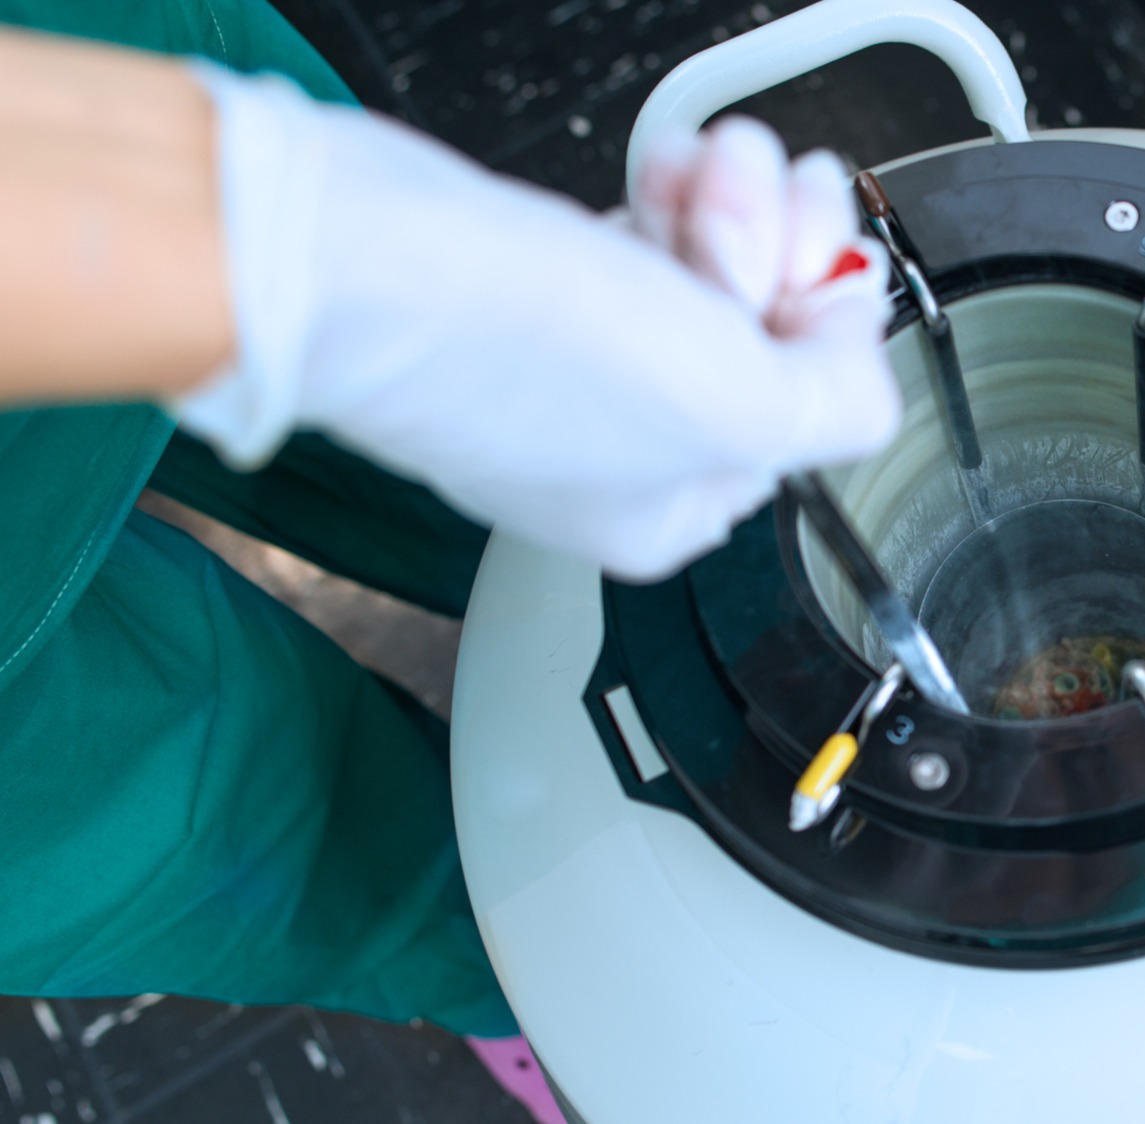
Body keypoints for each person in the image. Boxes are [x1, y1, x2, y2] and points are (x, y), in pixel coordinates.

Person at [0, 4, 898, 1121]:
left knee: (549, 496)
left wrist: (324, 241)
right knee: (227, 826)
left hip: (96, 72)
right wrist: (320, 257)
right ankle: (527, 971)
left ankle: (678, 689)